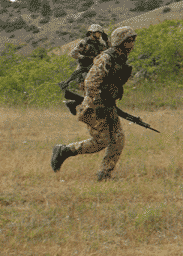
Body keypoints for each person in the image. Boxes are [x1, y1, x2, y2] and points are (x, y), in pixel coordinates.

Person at [51, 26, 136, 181]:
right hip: (95, 106)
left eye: (132, 40)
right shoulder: (107, 57)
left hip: (107, 104)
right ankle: (64, 150)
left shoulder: (120, 57)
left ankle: (104, 174)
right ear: (120, 42)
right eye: (128, 40)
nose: (132, 43)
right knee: (100, 141)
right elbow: (90, 82)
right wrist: (98, 104)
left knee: (118, 139)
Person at [58, 24, 111, 91]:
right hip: (84, 67)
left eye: (100, 33)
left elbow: (109, 51)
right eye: (98, 33)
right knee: (84, 83)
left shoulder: (100, 44)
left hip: (95, 66)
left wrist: (107, 41)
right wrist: (82, 57)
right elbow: (73, 53)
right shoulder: (84, 42)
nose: (100, 35)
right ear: (92, 33)